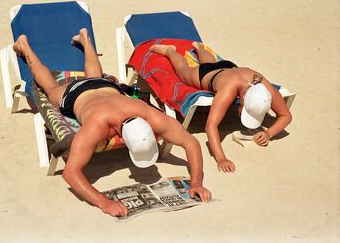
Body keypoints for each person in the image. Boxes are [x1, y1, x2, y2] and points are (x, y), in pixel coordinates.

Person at [12, 28, 212, 217]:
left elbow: (191, 143)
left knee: (93, 78)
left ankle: (82, 38)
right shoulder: (102, 124)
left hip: (104, 86)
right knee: (49, 87)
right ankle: (25, 46)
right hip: (77, 94)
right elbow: (70, 173)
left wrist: (196, 182)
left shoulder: (147, 116)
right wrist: (104, 203)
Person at [149, 42, 292, 173]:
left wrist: (268, 133)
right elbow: (210, 126)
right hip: (206, 74)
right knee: (183, 70)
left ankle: (199, 48)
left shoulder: (263, 86)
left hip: (228, 67)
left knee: (212, 62)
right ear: (242, 98)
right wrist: (221, 158)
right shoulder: (228, 91)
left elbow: (286, 116)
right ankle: (170, 51)